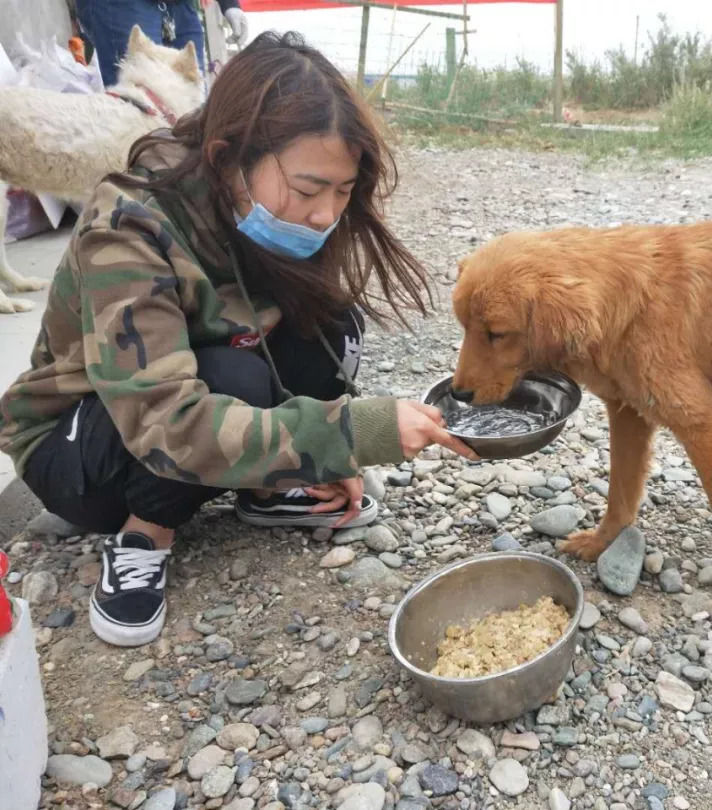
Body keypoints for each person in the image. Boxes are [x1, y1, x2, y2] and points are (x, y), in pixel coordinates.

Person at [0, 31, 476, 648]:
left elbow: (297, 335)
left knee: (331, 322)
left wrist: (319, 455)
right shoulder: (129, 225)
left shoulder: (269, 215)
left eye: (342, 191)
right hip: (79, 442)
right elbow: (165, 419)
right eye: (308, 190)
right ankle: (145, 536)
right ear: (229, 159)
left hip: (179, 400)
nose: (326, 214)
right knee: (234, 377)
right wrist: (352, 434)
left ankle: (264, 486)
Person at [74, 0, 249, 87]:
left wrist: (229, 4)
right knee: (139, 107)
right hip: (124, 5)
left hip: (179, 7)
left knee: (191, 105)